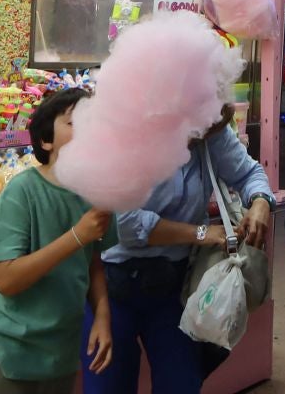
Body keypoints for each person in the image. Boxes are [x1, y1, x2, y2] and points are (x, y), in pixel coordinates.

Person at [86, 101, 274, 393]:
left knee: (182, 382)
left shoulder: (210, 131)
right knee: (109, 383)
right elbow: (126, 224)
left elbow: (249, 173)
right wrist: (201, 233)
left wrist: (261, 201)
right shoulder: (128, 138)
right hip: (113, 286)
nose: (196, 137)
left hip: (176, 286)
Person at [0, 88, 115, 394]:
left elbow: (94, 262)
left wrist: (102, 316)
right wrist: (76, 236)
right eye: (74, 123)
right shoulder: (21, 192)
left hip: (59, 354)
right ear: (46, 140)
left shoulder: (95, 195)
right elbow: (6, 279)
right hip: (6, 352)